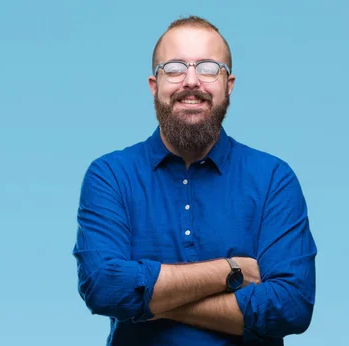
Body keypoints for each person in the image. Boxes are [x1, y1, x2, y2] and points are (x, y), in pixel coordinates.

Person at [72, 16, 317, 345]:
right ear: (153, 85)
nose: (191, 81)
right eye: (174, 68)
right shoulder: (111, 176)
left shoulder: (274, 179)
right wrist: (231, 270)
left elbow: (291, 307)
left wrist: (152, 303)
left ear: (228, 85)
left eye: (207, 67)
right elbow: (103, 286)